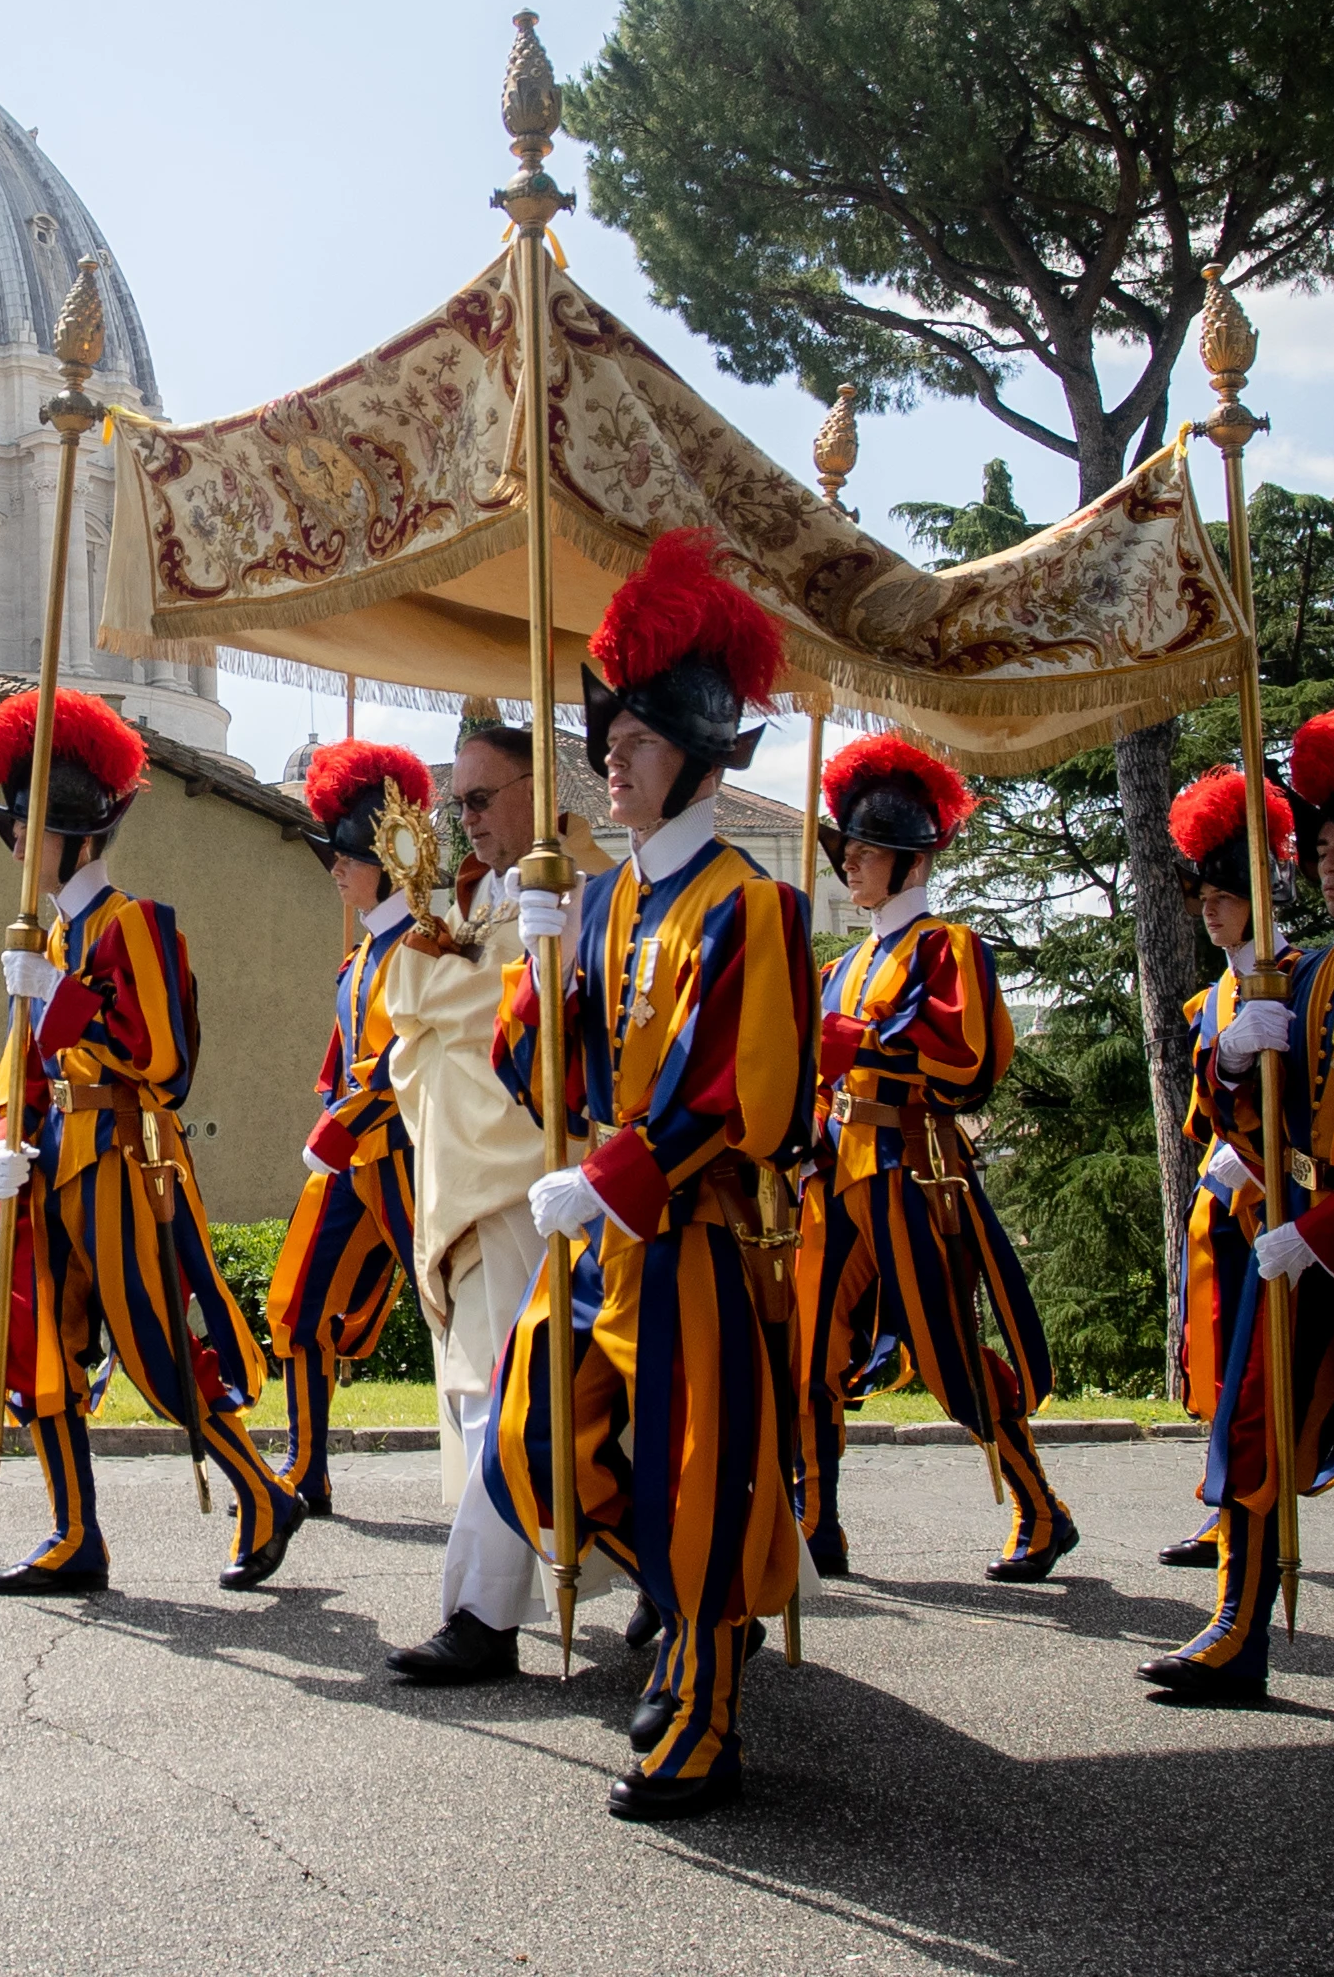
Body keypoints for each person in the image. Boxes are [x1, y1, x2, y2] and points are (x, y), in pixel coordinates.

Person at [486, 529, 811, 1819]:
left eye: (628, 747)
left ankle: (708, 1702)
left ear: (694, 752)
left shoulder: (754, 906)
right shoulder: (609, 904)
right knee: (535, 1442)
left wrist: (614, 1175)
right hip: (607, 1234)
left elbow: (747, 1100)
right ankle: (681, 1620)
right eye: (605, 746)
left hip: (698, 1244)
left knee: (697, 1474)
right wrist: (537, 963)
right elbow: (547, 1075)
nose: (606, 766)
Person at [0, 688, 302, 1597]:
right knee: (43, 1345)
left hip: (124, 1160)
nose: (12, 840)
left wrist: (55, 993)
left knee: (157, 1353)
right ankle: (75, 1534)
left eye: (26, 823)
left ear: (75, 832)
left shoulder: (133, 925)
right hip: (51, 1167)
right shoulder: (44, 936)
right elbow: (18, 1071)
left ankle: (265, 1494)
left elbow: (159, 1055)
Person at [1160, 692, 1334, 1701]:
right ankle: (1236, 1624)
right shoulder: (1308, 977)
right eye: (1322, 845)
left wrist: (1321, 1222)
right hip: (1307, 1238)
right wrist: (1229, 1064)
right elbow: (1272, 1121)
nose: (1330, 862)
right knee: (1253, 1420)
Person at [793, 732, 1069, 1581]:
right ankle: (818, 1524)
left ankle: (1039, 1504)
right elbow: (818, 1073)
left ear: (911, 861)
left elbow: (964, 1059)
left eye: (868, 852)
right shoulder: (842, 966)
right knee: (809, 1350)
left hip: (911, 1172)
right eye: (847, 850)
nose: (851, 865)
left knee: (947, 1352)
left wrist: (853, 1042)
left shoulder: (949, 947)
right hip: (837, 1170)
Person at [376, 717, 612, 1686]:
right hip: (477, 1185)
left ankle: (482, 1612)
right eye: (456, 803)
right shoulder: (466, 914)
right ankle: (686, 1584)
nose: (464, 818)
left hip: (545, 1187)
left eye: (480, 797)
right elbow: (422, 1042)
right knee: (514, 1400)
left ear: (535, 789)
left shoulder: (587, 894)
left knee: (521, 1402)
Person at [264, 740, 432, 1523]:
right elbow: (346, 1063)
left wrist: (345, 1121)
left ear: (386, 858)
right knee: (298, 1308)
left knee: (456, 1314)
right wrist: (332, 1119)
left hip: (409, 1158)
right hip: (350, 1157)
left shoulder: (428, 945)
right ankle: (305, 1466)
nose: (334, 869)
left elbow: (407, 1059)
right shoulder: (362, 954)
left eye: (346, 855)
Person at [1154, 762, 1298, 1574]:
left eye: (1224, 896)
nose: (1209, 910)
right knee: (1220, 1366)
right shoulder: (1215, 994)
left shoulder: (1300, 974)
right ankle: (1225, 1506)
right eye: (1202, 898)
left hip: (1281, 1203)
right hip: (1223, 1200)